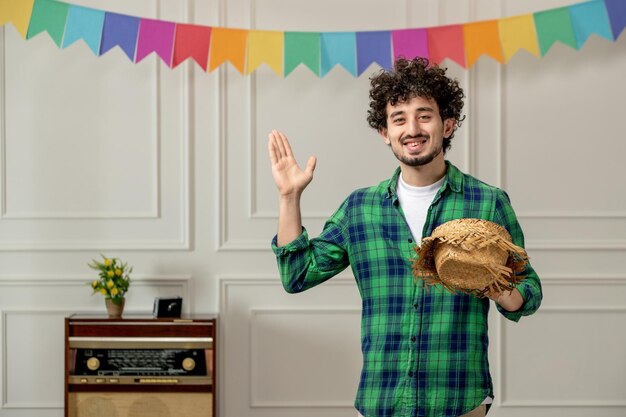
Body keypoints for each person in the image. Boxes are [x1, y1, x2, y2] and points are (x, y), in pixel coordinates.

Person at [267, 57, 542, 417]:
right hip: (383, 400)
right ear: (385, 132)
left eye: (424, 115)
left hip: (459, 399)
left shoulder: (487, 202)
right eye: (399, 118)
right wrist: (289, 198)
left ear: (448, 124)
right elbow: (297, 274)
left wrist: (497, 286)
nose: (412, 128)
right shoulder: (360, 208)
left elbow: (529, 293)